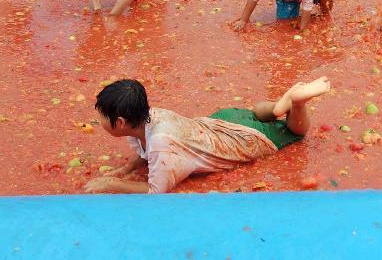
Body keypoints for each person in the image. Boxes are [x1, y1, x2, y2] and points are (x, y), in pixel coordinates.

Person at [83, 76, 331, 194]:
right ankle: (278, 106)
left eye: (102, 117)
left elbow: (155, 193)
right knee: (260, 113)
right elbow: (146, 152)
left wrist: (111, 184)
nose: (99, 120)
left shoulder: (160, 144)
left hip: (243, 138)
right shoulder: (149, 115)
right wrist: (126, 169)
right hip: (223, 118)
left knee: (294, 132)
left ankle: (297, 103)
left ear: (120, 122)